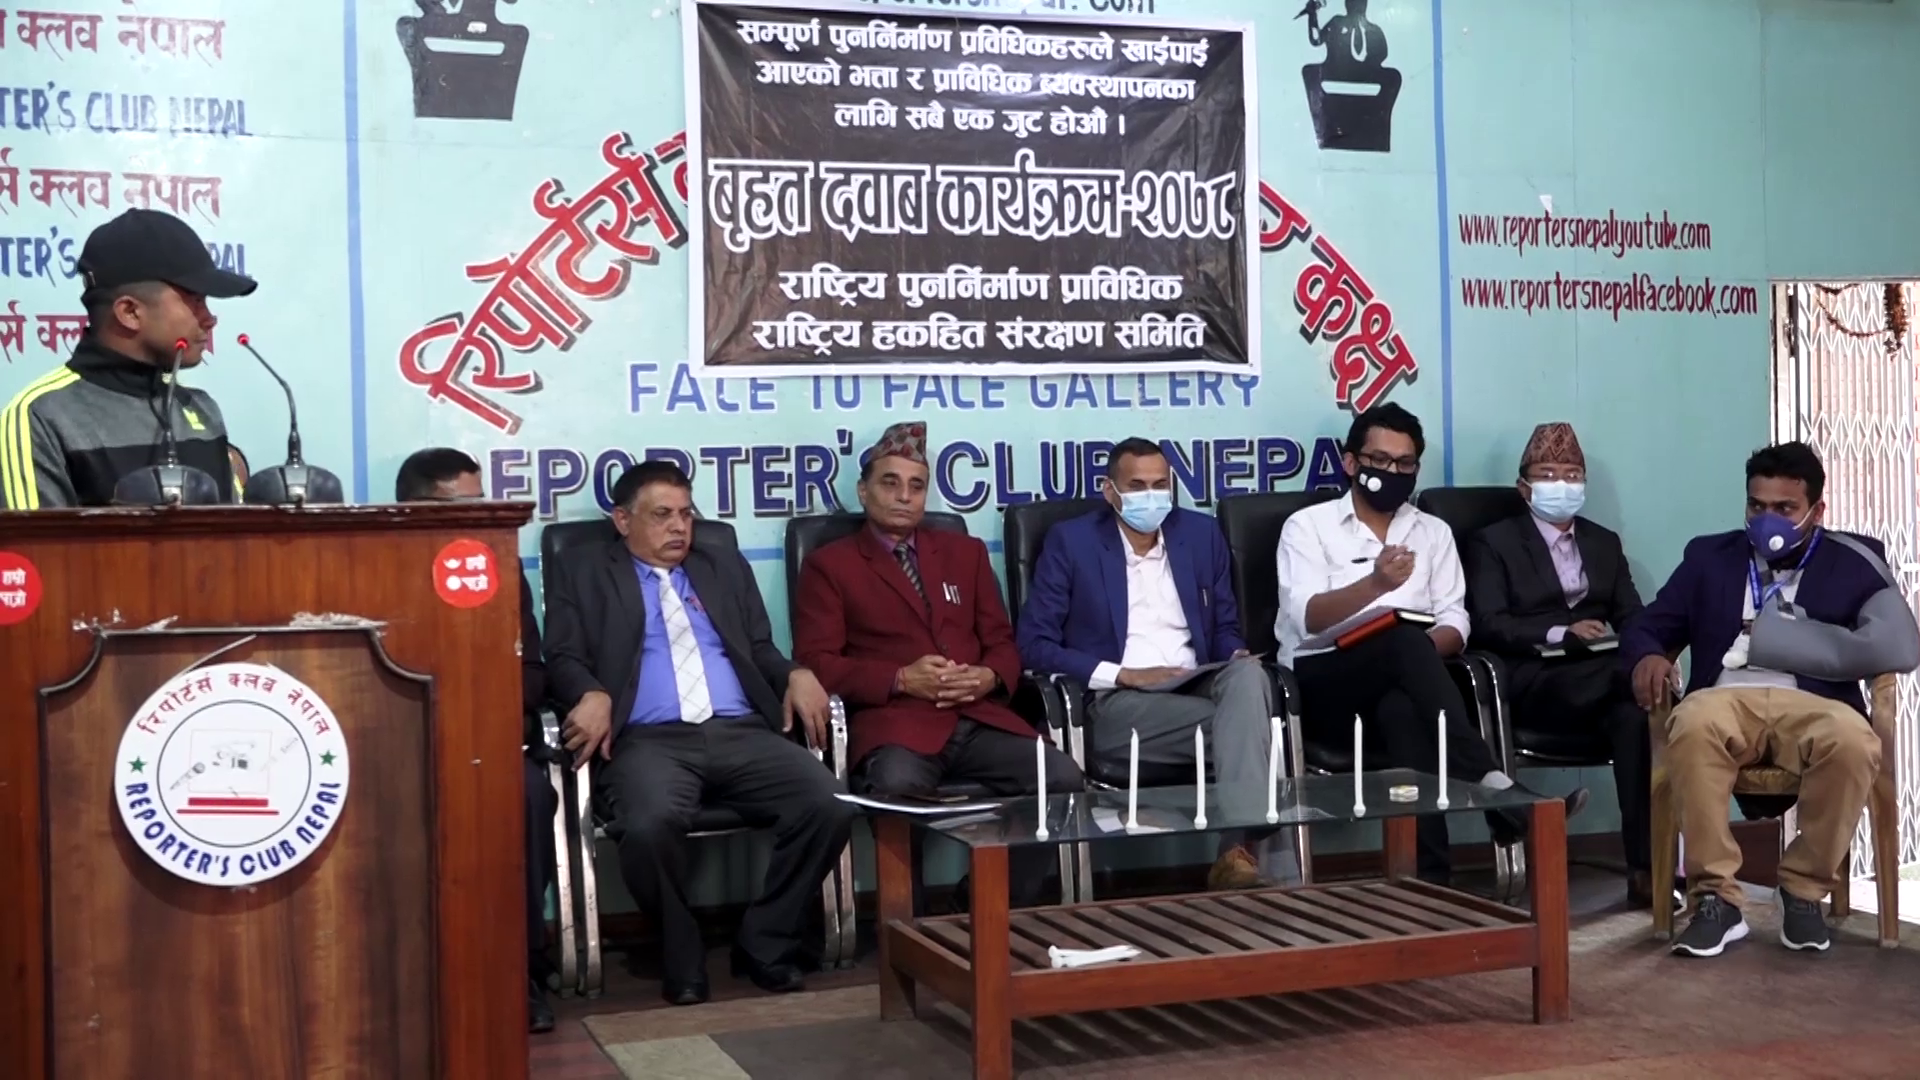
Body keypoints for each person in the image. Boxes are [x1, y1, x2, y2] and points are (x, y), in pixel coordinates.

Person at [543, 460, 854, 1005]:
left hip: (742, 731)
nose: (678, 527)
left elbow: (760, 647)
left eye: (686, 515)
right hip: (648, 741)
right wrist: (590, 692)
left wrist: (796, 673)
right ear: (622, 520)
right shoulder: (584, 571)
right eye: (662, 515)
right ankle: (679, 947)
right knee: (647, 826)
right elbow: (563, 656)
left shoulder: (722, 565)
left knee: (829, 804)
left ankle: (764, 942)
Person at [1275, 404, 1587, 881]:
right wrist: (1376, 587)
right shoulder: (1307, 527)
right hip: (1324, 686)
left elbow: (1455, 621)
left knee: (1402, 707)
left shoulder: (1432, 532)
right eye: (1380, 460)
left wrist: (1416, 651)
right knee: (1402, 640)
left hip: (1409, 687)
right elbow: (1306, 618)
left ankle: (1430, 882)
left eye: (1405, 464)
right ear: (1351, 463)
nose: (1392, 472)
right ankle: (1492, 784)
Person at [792, 421, 1084, 907]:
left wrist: (988, 675)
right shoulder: (831, 565)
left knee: (1061, 777)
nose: (904, 496)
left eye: (916, 486)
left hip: (978, 716)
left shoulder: (965, 553)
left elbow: (1002, 642)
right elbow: (817, 662)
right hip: (897, 722)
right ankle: (910, 920)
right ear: (863, 491)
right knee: (895, 786)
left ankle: (991, 906)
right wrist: (901, 679)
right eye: (890, 483)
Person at [1623, 442, 1895, 958]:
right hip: (1728, 695)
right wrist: (1648, 656)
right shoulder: (1709, 558)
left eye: (1785, 508)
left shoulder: (1854, 562)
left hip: (1814, 699)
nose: (1768, 519)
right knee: (1691, 723)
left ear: (1817, 510)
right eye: (1757, 505)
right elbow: (1648, 625)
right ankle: (1716, 900)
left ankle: (1803, 890)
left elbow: (1889, 642)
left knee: (1855, 742)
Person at [1017, 436, 1291, 890]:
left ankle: (1237, 854)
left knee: (1248, 675)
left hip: (1196, 681)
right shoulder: (1073, 542)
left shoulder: (1200, 535)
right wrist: (1124, 674)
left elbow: (1225, 627)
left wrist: (1233, 654)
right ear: (1110, 491)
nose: (1152, 496)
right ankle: (1244, 854)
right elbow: (1033, 644)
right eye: (1137, 486)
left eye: (1161, 484)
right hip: (1118, 702)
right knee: (1250, 728)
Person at [394, 447, 558, 1032]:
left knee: (530, 794)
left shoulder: (497, 563)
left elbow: (533, 672)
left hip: (489, 740)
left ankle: (520, 968)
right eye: (462, 504)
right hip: (406, 743)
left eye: (480, 502)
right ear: (414, 507)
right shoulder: (378, 563)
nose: (478, 515)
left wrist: (485, 708)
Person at [1464, 424, 1657, 907]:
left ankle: (1646, 870)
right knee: (1637, 686)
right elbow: (1487, 623)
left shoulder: (1604, 543)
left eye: (1572, 475)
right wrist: (1559, 633)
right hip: (1534, 679)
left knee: (1634, 717)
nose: (1562, 484)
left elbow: (1632, 615)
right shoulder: (1493, 542)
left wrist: (1650, 651)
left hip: (1602, 684)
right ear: (1524, 487)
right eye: (1548, 474)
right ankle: (1659, 692)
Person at [0, 209, 254, 509]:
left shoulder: (201, 408)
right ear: (130, 312)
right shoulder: (40, 418)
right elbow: (35, 541)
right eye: (196, 300)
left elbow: (233, 534)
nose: (210, 319)